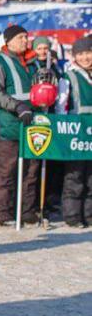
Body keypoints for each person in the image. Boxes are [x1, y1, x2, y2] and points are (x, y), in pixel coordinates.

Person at [0, 25, 43, 225]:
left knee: (31, 170)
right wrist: (18, 106)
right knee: (6, 170)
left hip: (34, 125)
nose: (25, 41)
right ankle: (2, 212)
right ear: (9, 41)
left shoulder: (34, 63)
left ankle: (26, 210)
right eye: (20, 37)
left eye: (26, 37)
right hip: (10, 124)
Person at [57, 36, 92, 227]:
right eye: (81, 54)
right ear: (75, 56)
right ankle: (73, 217)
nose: (86, 57)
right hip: (76, 134)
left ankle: (89, 214)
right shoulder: (69, 76)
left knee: (91, 177)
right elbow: (61, 107)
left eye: (88, 52)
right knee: (75, 176)